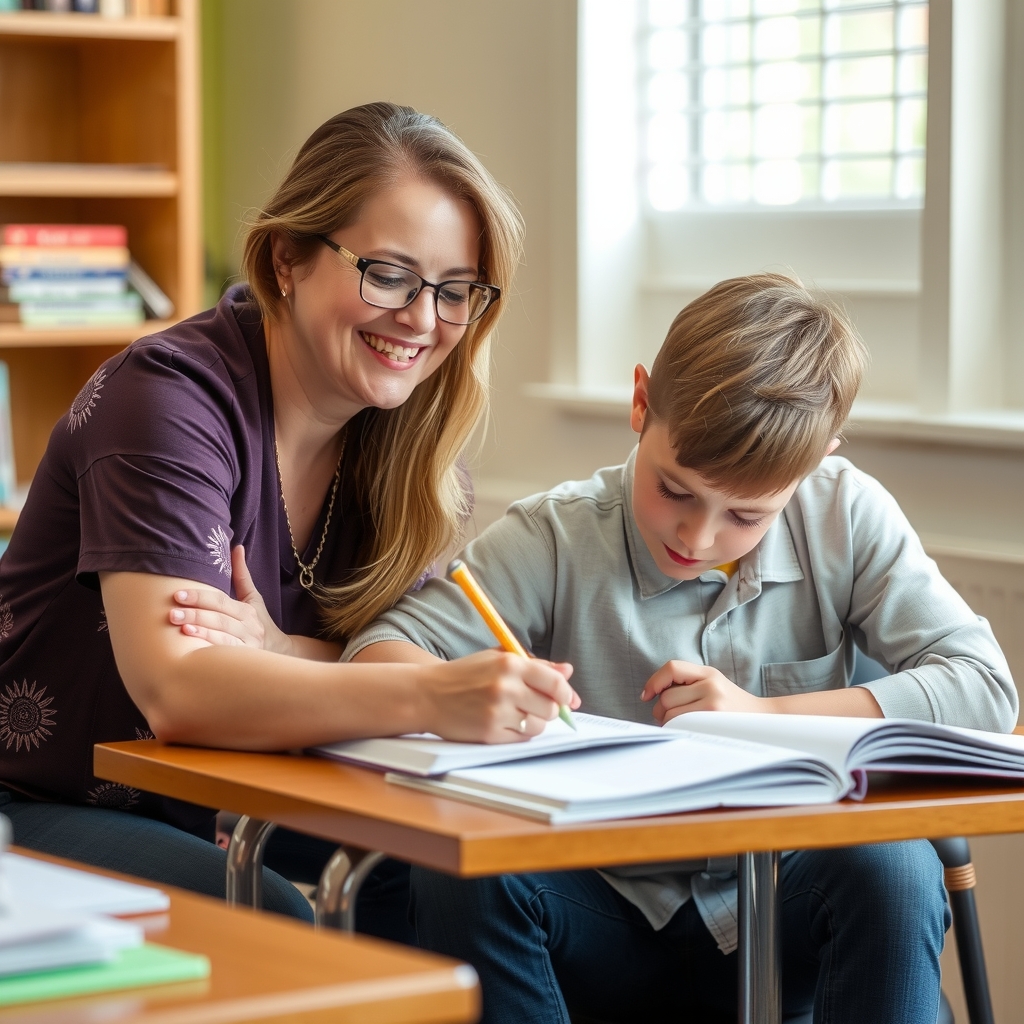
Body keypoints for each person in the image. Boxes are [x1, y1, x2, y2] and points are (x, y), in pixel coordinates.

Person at [335, 274, 1016, 1021]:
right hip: (598, 917)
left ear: (818, 460)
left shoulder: (845, 514)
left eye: (747, 516)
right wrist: (457, 693)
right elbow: (378, 652)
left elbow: (984, 687)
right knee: (458, 870)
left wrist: (766, 716)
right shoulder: (556, 535)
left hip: (782, 914)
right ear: (640, 402)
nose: (697, 537)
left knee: (894, 863)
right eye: (676, 489)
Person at [0, 102, 576, 934]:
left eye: (456, 292)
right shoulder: (165, 399)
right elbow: (181, 689)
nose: (421, 320)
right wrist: (421, 690)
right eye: (387, 274)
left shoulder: (419, 450)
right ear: (287, 259)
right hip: (37, 791)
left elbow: (395, 645)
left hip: (222, 791)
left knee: (456, 877)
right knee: (267, 915)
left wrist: (281, 651)